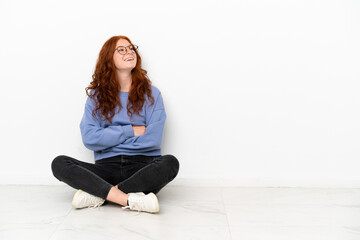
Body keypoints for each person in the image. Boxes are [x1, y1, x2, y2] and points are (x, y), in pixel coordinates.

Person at [51, 35, 179, 214]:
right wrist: (131, 131)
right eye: (122, 49)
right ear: (108, 58)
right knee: (59, 164)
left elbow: (153, 140)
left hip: (142, 168)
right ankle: (128, 198)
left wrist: (108, 137)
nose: (129, 52)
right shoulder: (96, 97)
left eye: (131, 48)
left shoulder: (152, 94)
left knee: (170, 163)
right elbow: (90, 138)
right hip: (106, 167)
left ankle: (101, 193)